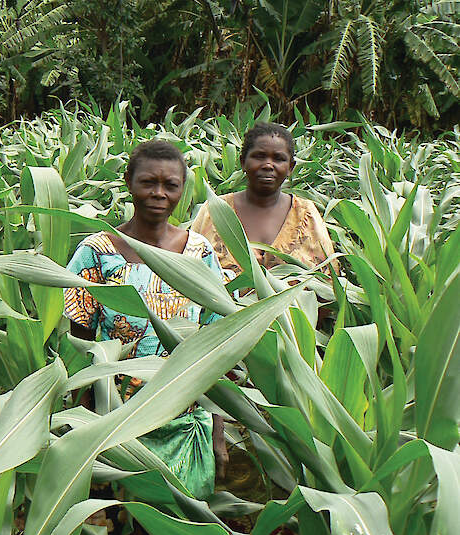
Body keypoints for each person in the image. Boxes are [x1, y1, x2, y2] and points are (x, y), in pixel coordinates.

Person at [63, 140, 226, 499]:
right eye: (148, 182)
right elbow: (80, 346)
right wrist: (78, 424)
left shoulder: (198, 253)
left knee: (178, 525)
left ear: (184, 190)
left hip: (184, 421)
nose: (159, 193)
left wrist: (217, 430)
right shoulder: (97, 252)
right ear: (128, 183)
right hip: (115, 421)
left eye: (171, 185)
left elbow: (216, 349)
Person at [190, 122, 336, 275]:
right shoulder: (214, 211)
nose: (268, 165)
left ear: (290, 168)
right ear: (243, 162)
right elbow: (189, 272)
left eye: (279, 158)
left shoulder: (306, 214)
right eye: (259, 156)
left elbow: (328, 281)